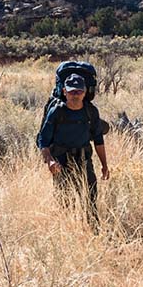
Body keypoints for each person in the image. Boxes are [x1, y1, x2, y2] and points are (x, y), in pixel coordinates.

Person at [37, 73, 109, 225]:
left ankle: (93, 229)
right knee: (64, 199)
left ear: (84, 92)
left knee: (90, 197)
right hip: (61, 161)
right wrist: (49, 161)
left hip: (84, 159)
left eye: (79, 91)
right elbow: (43, 140)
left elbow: (98, 140)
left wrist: (104, 165)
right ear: (64, 91)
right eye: (71, 91)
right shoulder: (57, 111)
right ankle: (67, 229)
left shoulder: (90, 112)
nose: (75, 95)